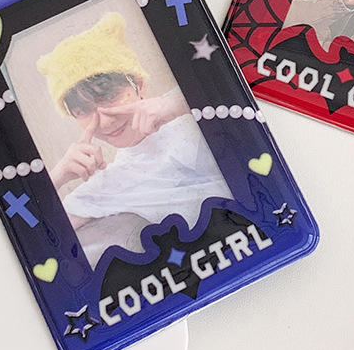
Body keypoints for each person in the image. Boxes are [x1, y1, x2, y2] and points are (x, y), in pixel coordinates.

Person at [36, 13, 231, 239]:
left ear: (140, 85)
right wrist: (58, 176)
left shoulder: (190, 103)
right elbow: (39, 235)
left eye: (109, 96)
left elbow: (236, 88)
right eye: (83, 111)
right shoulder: (111, 183)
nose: (105, 121)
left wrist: (178, 104)